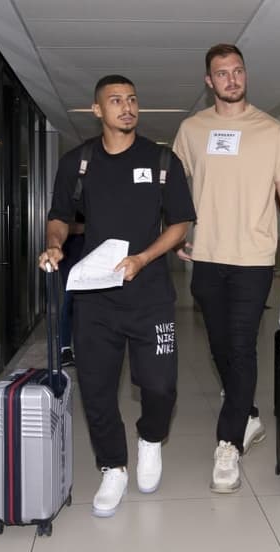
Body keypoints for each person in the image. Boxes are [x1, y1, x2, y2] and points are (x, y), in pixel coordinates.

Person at [39, 75, 196, 518]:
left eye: (132, 99)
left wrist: (144, 259)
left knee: (161, 384)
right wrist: (54, 243)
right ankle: (113, 467)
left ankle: (150, 439)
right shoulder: (78, 162)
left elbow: (180, 223)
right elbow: (59, 216)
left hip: (150, 294)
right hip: (95, 297)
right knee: (96, 388)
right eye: (115, 101)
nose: (126, 107)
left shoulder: (163, 160)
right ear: (97, 110)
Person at [172, 43, 280, 494]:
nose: (232, 79)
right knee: (218, 347)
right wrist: (175, 235)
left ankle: (228, 444)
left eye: (238, 71)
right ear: (208, 82)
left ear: (245, 75)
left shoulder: (272, 131)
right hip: (208, 257)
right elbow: (175, 190)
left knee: (242, 345)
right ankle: (247, 415)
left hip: (253, 259)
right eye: (222, 73)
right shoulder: (192, 130)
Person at [58, 214, 84, 367]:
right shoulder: (70, 196)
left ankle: (84, 345)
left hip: (88, 250)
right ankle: (65, 349)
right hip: (70, 252)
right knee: (70, 298)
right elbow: (62, 226)